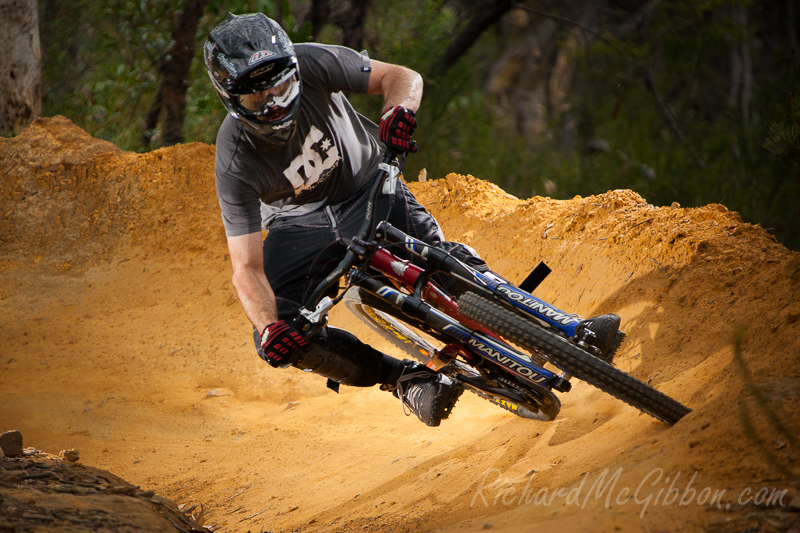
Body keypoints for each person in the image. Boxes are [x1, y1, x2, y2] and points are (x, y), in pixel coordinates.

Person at [204, 12, 621, 427]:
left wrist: (398, 110)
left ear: (294, 69)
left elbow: (401, 77)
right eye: (258, 98)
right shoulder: (234, 160)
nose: (275, 102)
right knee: (279, 338)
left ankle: (569, 330)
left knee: (443, 264)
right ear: (230, 97)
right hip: (301, 228)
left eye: (281, 86)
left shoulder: (312, 61)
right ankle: (407, 379)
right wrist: (269, 326)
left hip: (369, 184)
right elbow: (246, 267)